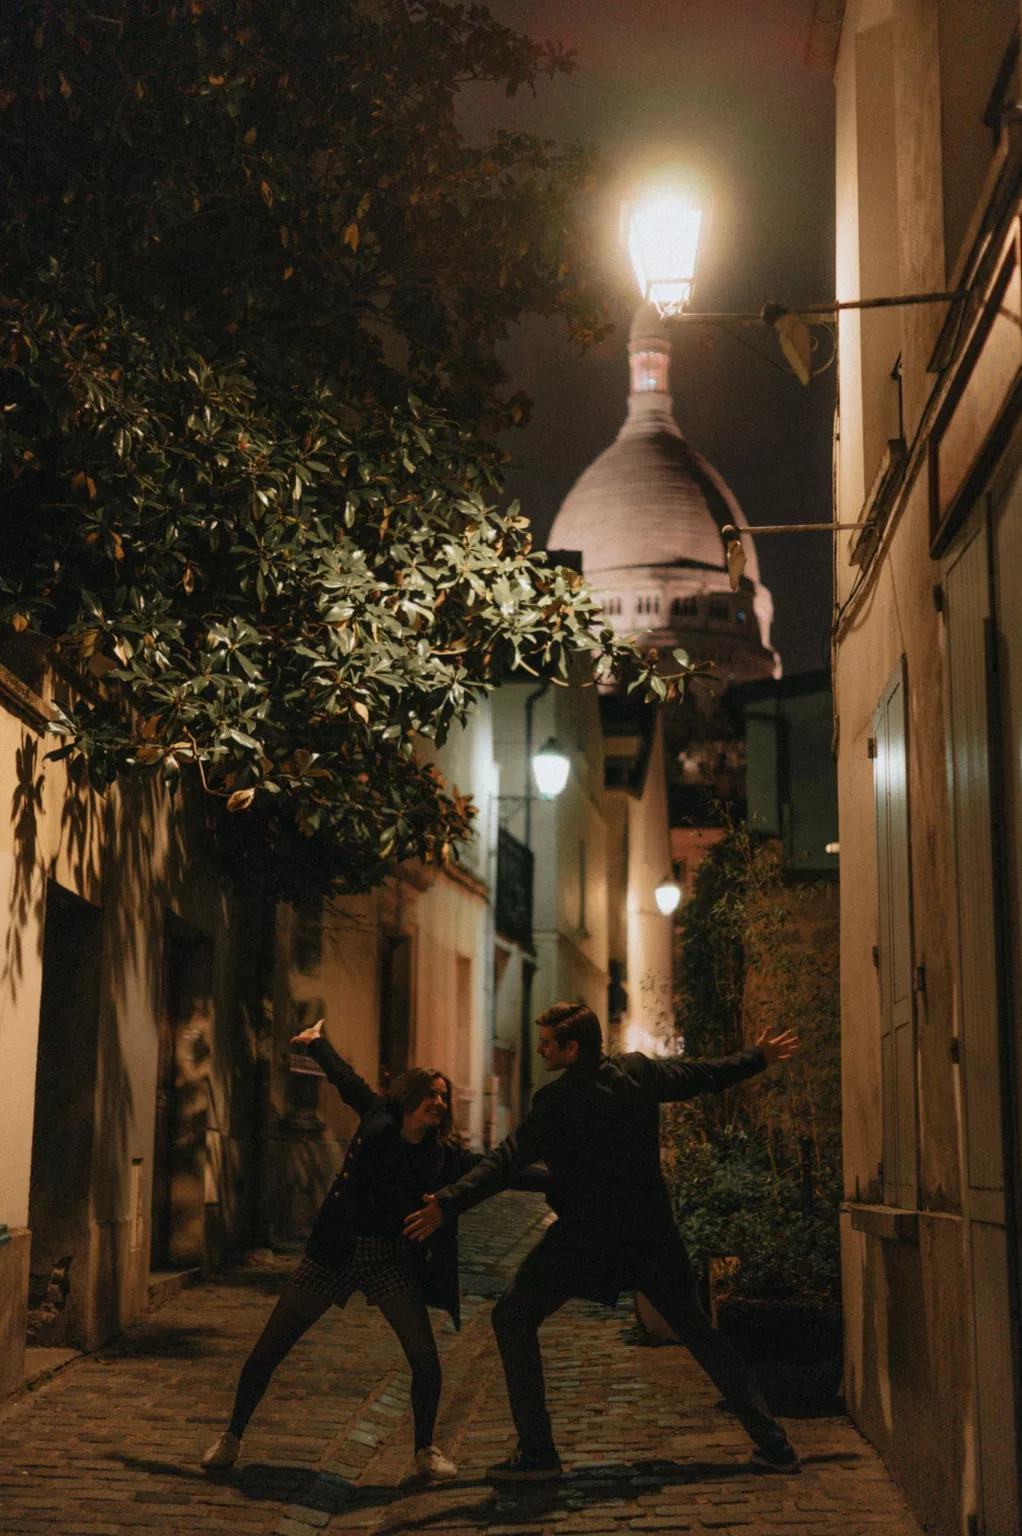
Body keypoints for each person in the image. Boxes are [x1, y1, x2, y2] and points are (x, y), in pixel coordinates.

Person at [405, 1000, 802, 1482]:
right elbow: (699, 1075)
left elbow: (505, 1160)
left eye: (548, 1043)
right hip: (651, 1235)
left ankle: (537, 1455)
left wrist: (448, 1202)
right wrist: (757, 1057)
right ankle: (775, 1446)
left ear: (572, 1049)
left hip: (585, 1241)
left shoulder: (555, 1103)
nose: (541, 1049)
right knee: (701, 1334)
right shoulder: (636, 1073)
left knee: (512, 1317)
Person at [201, 1018, 485, 1481]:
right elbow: (346, 1080)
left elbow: (494, 1170)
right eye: (433, 1094)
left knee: (424, 1357)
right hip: (335, 1250)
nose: (441, 1102)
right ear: (412, 1098)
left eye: (444, 1095)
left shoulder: (443, 1154)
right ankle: (231, 1437)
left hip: (388, 1258)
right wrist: (315, 1044)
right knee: (272, 1346)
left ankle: (424, 1453)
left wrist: (561, 1175)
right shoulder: (379, 1118)